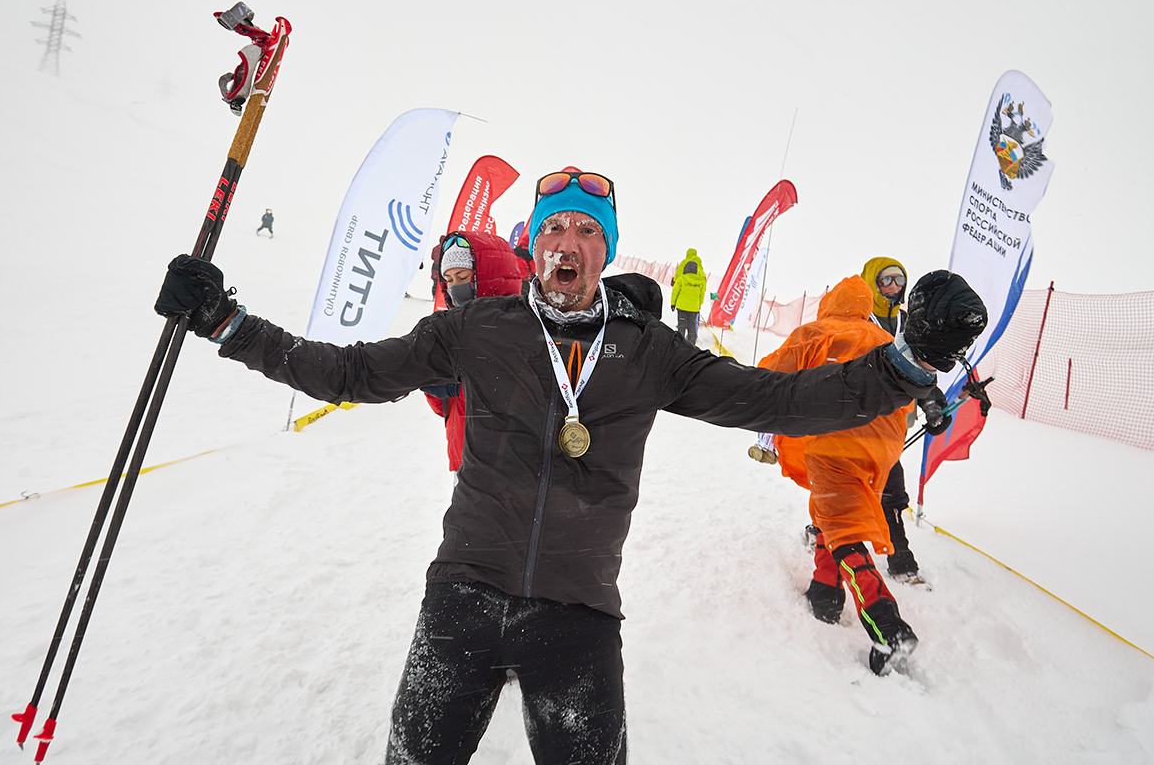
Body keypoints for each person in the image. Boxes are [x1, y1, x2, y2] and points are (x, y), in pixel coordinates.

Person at [154, 168, 983, 762]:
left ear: (607, 249)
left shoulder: (649, 352)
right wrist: (229, 323)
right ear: (533, 245)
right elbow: (348, 373)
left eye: (588, 230)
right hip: (464, 601)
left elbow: (777, 402)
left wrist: (903, 368)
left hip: (578, 619)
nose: (570, 242)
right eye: (555, 227)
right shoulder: (477, 329)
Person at [754, 275, 951, 674]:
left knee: (843, 530)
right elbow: (917, 381)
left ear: (829, 304)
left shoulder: (814, 333)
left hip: (833, 439)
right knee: (833, 512)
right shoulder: (882, 338)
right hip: (882, 448)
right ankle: (825, 592)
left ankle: (888, 627)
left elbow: (768, 378)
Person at [421, 230, 525, 472]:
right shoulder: (451, 328)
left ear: (485, 276)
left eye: (462, 276)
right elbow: (447, 410)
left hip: (505, 464)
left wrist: (461, 385)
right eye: (449, 279)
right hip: (462, 459)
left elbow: (513, 397)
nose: (456, 286)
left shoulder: (516, 326)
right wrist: (432, 384)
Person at [860, 256, 923, 581]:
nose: (894, 287)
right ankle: (821, 530)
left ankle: (900, 559)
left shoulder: (908, 323)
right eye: (887, 280)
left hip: (894, 423)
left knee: (892, 490)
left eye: (900, 280)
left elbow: (923, 368)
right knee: (850, 485)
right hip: (856, 420)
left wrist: (933, 402)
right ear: (873, 282)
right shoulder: (860, 319)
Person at [670, 255, 707, 346]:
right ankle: (691, 346)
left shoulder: (681, 279)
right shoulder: (701, 282)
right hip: (693, 308)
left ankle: (679, 345)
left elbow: (675, 292)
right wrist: (698, 306)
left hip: (681, 307)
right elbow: (701, 295)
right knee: (692, 327)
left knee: (681, 326)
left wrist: (673, 303)